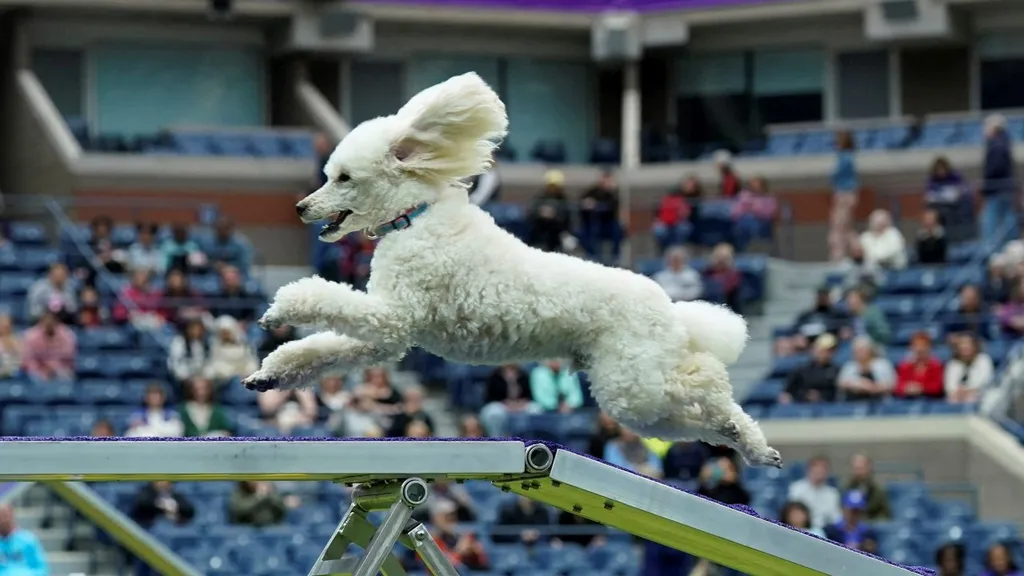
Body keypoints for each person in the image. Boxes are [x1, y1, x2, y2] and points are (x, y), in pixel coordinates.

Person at [981, 114, 1018, 250]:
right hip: (1004, 189)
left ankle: (994, 250)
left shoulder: (996, 145)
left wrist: (985, 185)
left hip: (997, 190)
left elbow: (995, 168)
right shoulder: (1005, 142)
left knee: (994, 224)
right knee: (1006, 221)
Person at [427, 500, 489, 570]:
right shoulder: (429, 540)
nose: (452, 519)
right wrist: (459, 550)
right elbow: (442, 568)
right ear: (436, 518)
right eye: (446, 516)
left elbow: (483, 565)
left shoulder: (458, 536)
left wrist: (476, 553)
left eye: (453, 515)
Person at [480, 364, 539, 437]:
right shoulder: (495, 375)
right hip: (501, 405)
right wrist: (506, 403)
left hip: (520, 405)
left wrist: (520, 404)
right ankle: (496, 438)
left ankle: (529, 438)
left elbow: (529, 395)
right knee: (494, 413)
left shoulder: (523, 374)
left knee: (535, 409)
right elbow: (489, 397)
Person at [779, 334, 840, 404]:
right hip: (801, 407)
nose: (826, 354)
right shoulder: (801, 369)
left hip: (827, 408)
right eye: (824, 350)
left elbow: (836, 394)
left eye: (830, 351)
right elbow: (787, 391)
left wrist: (820, 397)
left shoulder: (836, 370)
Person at [577, 170, 623, 262]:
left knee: (618, 230)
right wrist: (587, 204)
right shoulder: (592, 191)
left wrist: (597, 205)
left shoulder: (613, 194)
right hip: (591, 223)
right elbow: (582, 203)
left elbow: (613, 209)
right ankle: (591, 255)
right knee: (581, 232)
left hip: (607, 224)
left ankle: (615, 257)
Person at [787, 455, 842, 530]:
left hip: (825, 531)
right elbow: (793, 514)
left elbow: (835, 518)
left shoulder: (832, 493)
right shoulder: (796, 488)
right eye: (816, 469)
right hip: (801, 528)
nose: (819, 473)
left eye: (823, 470)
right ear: (809, 470)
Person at [20, 310, 76, 382]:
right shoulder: (31, 336)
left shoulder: (66, 335)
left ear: (56, 321)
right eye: (46, 320)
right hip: (38, 370)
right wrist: (42, 369)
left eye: (51, 320)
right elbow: (28, 359)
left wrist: (53, 367)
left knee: (66, 377)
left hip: (60, 369)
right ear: (42, 321)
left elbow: (69, 357)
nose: (49, 323)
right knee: (34, 377)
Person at [829, 130, 859, 261]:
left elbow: (837, 176)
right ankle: (852, 252)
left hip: (845, 194)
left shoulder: (846, 157)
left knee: (839, 228)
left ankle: (839, 257)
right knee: (844, 228)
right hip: (844, 194)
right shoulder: (845, 156)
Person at [527, 170, 573, 253]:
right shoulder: (540, 198)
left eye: (555, 186)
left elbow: (567, 219)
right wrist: (540, 213)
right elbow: (531, 213)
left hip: (556, 237)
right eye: (551, 186)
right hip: (539, 235)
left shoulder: (564, 200)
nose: (553, 189)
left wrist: (554, 216)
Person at [836, 336, 895, 402]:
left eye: (861, 350)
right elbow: (842, 383)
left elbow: (891, 384)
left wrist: (872, 387)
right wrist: (859, 385)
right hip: (853, 403)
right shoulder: (849, 366)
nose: (858, 353)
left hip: (880, 402)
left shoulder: (882, 364)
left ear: (870, 350)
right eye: (856, 351)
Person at [205, 315, 259, 386]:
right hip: (224, 380)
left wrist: (246, 373)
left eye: (227, 332)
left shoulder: (243, 345)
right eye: (223, 332)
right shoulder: (216, 346)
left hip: (244, 377)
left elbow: (251, 361)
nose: (225, 335)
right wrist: (231, 373)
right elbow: (214, 364)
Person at [944, 334, 995, 404]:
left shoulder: (983, 359)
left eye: (968, 344)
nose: (965, 347)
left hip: (980, 397)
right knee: (950, 400)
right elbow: (949, 386)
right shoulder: (953, 363)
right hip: (958, 397)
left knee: (971, 399)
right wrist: (958, 392)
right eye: (962, 344)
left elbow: (985, 381)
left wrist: (968, 390)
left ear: (974, 346)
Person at [0, 503, 49, 576]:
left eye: (4, 516)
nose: (2, 520)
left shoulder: (28, 540)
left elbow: (42, 570)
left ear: (11, 516)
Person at [730, 176, 777, 251]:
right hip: (743, 221)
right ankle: (741, 249)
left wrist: (755, 210)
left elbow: (770, 213)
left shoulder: (768, 197)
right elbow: (736, 211)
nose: (755, 187)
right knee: (739, 225)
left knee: (751, 223)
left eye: (757, 185)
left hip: (761, 223)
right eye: (753, 185)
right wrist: (745, 209)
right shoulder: (744, 196)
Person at [653, 177, 700, 251]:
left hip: (678, 223)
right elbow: (658, 214)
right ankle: (663, 249)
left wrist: (681, 215)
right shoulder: (664, 200)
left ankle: (678, 249)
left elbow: (686, 214)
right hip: (665, 224)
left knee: (685, 228)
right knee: (659, 230)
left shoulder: (681, 200)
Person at [895, 332, 945, 399]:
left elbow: (937, 387)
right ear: (911, 347)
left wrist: (921, 388)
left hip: (931, 400)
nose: (919, 349)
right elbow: (898, 387)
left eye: (923, 345)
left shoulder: (936, 365)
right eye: (916, 345)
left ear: (929, 347)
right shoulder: (905, 366)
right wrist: (906, 388)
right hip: (908, 401)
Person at [842, 454, 891, 521]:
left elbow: (885, 513)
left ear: (868, 468)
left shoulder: (877, 490)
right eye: (856, 469)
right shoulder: (847, 488)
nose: (858, 472)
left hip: (872, 522)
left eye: (861, 468)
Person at [129, 481, 194, 528]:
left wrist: (175, 508)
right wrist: (163, 507)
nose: (164, 482)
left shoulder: (176, 496)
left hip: (170, 530)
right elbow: (144, 505)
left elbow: (189, 511)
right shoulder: (145, 493)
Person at [167, 318, 211, 385]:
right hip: (183, 376)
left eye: (198, 329)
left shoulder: (205, 343)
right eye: (193, 329)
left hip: (200, 376)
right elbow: (174, 362)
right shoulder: (179, 342)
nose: (196, 332)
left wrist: (204, 376)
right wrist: (185, 376)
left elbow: (208, 361)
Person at [704, 242, 743, 313]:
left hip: (729, 306)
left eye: (725, 258)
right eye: (719, 257)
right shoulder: (707, 272)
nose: (721, 260)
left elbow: (728, 288)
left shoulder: (734, 273)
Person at [0, 312, 22, 379]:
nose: (5, 326)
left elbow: (21, 362)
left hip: (15, 376)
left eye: (7, 324)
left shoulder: (18, 341)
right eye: (2, 323)